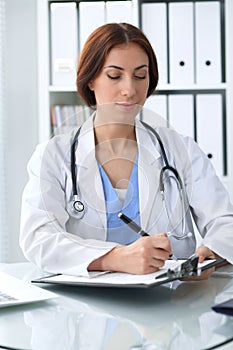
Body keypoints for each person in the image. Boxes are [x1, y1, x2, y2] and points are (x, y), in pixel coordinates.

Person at [20, 23, 233, 279]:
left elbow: (224, 222)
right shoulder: (53, 157)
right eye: (114, 75)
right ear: (90, 80)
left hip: (169, 303)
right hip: (84, 309)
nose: (130, 90)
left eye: (140, 75)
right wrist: (116, 258)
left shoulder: (180, 150)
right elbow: (38, 239)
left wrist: (214, 250)